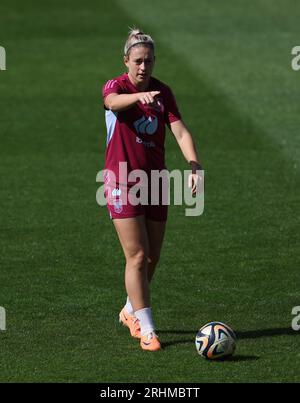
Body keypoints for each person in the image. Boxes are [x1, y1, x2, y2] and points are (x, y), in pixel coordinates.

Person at [102, 28, 203, 351]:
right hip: (122, 181)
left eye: (148, 61)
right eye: (138, 61)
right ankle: (147, 329)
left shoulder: (163, 93)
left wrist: (194, 164)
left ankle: (130, 310)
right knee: (137, 255)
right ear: (126, 61)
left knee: (152, 258)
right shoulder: (117, 86)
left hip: (157, 182)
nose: (143, 67)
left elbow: (180, 131)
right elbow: (112, 102)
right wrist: (137, 97)